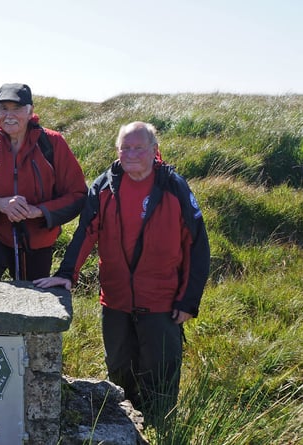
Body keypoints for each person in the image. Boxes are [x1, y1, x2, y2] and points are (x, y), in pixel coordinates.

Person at [34, 121, 210, 425]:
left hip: (163, 302)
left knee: (160, 372)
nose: (130, 154)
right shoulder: (104, 185)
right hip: (115, 300)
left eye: (138, 147)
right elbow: (85, 233)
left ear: (154, 150)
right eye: (125, 147)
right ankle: (126, 426)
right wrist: (66, 273)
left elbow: (197, 246)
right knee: (119, 369)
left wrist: (188, 300)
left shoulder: (173, 187)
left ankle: (159, 428)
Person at [0, 83, 88, 281]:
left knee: (34, 295)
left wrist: (39, 211)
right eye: (3, 109)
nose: (9, 115)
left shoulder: (52, 143)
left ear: (30, 111)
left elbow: (77, 195)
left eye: (16, 109)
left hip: (38, 238)